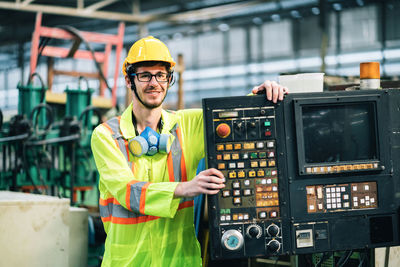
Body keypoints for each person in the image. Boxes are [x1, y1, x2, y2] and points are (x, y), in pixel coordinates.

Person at [91, 36, 288, 267]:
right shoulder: (107, 135)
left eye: (161, 75)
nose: (154, 83)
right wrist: (185, 188)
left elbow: (237, 119)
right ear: (129, 80)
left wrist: (262, 95)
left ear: (169, 79)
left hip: (180, 261)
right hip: (128, 262)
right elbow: (127, 191)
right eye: (144, 75)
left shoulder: (186, 125)